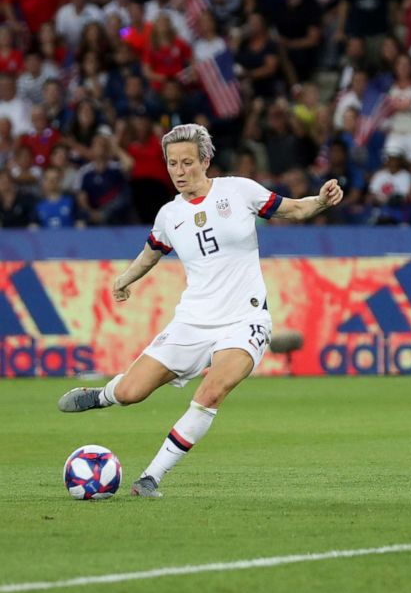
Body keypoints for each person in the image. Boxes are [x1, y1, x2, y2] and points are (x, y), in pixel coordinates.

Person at [57, 123, 344, 497]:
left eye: (187, 162)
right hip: (192, 321)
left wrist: (320, 200)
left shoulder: (238, 190)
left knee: (211, 392)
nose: (179, 171)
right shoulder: (168, 215)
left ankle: (150, 477)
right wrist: (125, 278)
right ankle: (102, 395)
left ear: (206, 160)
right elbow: (151, 253)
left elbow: (293, 209)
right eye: (172, 163)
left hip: (246, 319)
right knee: (131, 393)